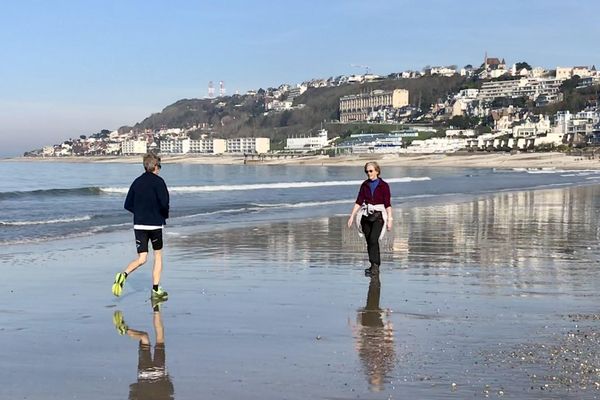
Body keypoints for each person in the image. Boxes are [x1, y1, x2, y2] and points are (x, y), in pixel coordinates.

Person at [112, 153, 170, 301]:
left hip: (139, 224)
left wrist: (139, 213)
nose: (159, 169)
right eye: (160, 166)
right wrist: (163, 215)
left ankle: (123, 274)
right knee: (157, 255)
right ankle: (156, 290)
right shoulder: (159, 182)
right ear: (155, 166)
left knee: (142, 258)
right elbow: (164, 203)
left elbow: (127, 204)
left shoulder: (136, 182)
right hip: (155, 224)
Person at [112, 307, 174, 400]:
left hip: (159, 372)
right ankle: (125, 330)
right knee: (143, 337)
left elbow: (170, 390)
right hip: (144, 375)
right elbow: (133, 392)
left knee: (159, 338)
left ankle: (156, 308)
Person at [349, 274, 396, 392]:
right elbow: (360, 343)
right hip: (371, 329)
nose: (374, 374)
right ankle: (374, 289)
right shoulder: (369, 361)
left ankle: (375, 288)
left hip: (376, 329)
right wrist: (356, 329)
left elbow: (389, 345)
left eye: (374, 377)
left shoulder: (384, 362)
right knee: (370, 307)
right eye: (375, 377)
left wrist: (390, 330)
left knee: (372, 307)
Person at [347, 161, 393, 276]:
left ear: (377, 171)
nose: (369, 173)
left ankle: (376, 266)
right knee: (369, 242)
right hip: (365, 216)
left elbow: (387, 204)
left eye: (371, 171)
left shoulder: (384, 185)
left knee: (373, 239)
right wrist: (352, 216)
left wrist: (390, 219)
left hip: (379, 216)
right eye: (367, 171)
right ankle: (373, 266)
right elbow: (359, 201)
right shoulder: (364, 185)